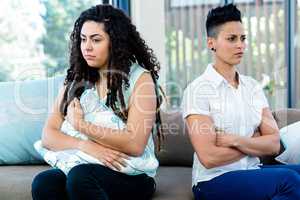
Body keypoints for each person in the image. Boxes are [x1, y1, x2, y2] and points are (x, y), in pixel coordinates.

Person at [31, 4, 163, 200]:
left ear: (116, 43)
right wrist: (87, 146)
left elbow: (135, 144)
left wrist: (82, 125)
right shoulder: (76, 78)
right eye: (83, 39)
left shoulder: (140, 79)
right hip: (87, 162)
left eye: (96, 40)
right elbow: (48, 135)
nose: (87, 47)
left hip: (132, 174)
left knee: (80, 177)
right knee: (44, 182)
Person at [182, 3, 300, 200]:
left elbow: (273, 144)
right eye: (231, 39)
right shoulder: (197, 90)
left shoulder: (252, 87)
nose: (240, 45)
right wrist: (252, 143)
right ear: (211, 43)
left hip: (252, 170)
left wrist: (234, 140)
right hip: (213, 180)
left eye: (243, 38)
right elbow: (209, 157)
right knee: (287, 180)